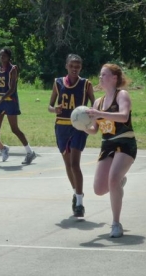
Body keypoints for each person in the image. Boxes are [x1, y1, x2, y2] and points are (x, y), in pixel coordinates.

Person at [85, 63, 137, 237]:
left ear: (114, 78)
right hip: (107, 145)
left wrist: (100, 115)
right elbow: (94, 130)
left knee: (112, 180)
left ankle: (116, 223)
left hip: (125, 142)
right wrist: (81, 126)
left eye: (104, 75)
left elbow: (123, 116)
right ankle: (119, 182)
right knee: (99, 189)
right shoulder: (98, 102)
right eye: (100, 75)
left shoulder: (122, 95)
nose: (100, 78)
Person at [48, 54, 95, 217]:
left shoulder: (86, 84)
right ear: (66, 66)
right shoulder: (57, 82)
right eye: (72, 66)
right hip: (61, 126)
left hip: (79, 127)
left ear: (81, 68)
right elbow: (49, 106)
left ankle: (80, 204)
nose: (75, 69)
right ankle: (77, 193)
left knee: (75, 164)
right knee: (68, 165)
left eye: (78, 66)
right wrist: (55, 109)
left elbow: (94, 106)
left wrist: (92, 118)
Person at [0, 47, 36, 166]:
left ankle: (30, 152)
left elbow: (12, 89)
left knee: (14, 129)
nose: (1, 58)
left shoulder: (13, 69)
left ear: (9, 57)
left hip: (10, 101)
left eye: (4, 56)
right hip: (0, 99)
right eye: (0, 55)